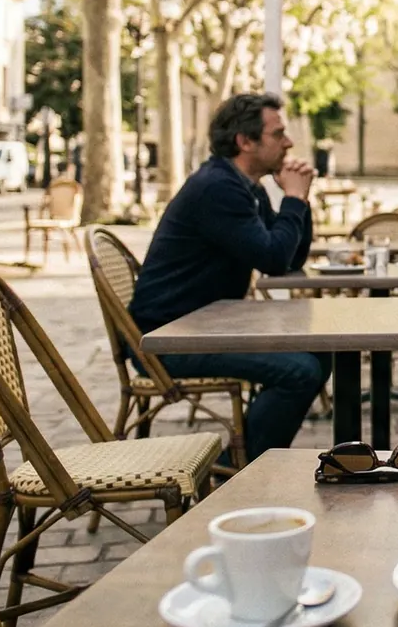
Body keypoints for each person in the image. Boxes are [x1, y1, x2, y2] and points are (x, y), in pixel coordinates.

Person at [128, 93, 323, 461]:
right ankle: (236, 469)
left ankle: (246, 459)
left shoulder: (244, 186)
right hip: (168, 340)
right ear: (245, 141)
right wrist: (294, 201)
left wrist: (300, 200)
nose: (289, 142)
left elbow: (287, 257)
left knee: (321, 352)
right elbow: (274, 257)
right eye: (278, 133)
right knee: (300, 371)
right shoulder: (217, 188)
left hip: (206, 327)